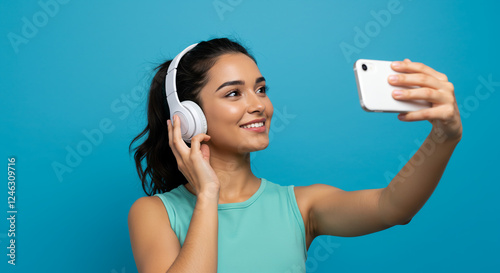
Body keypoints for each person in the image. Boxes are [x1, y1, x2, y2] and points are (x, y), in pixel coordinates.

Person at [127, 37, 463, 273]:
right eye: (233, 93)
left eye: (260, 89)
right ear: (188, 118)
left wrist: (445, 136)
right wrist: (207, 195)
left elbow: (393, 208)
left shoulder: (302, 206)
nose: (258, 104)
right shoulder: (154, 214)